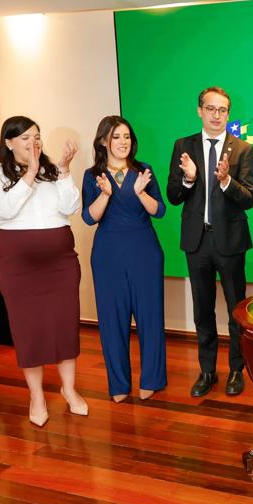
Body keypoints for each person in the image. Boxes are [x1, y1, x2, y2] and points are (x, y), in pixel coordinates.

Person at [0, 115, 86, 427]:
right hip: (19, 267)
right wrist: (29, 174)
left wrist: (64, 170)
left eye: (37, 136)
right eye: (25, 137)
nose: (33, 142)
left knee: (65, 325)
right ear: (9, 142)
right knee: (28, 330)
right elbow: (4, 209)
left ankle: (69, 389)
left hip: (60, 263)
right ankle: (37, 396)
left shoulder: (51, 169)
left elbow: (71, 207)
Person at [166, 86, 253, 398]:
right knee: (202, 311)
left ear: (228, 114)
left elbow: (248, 199)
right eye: (211, 109)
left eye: (223, 110)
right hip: (197, 241)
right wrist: (189, 178)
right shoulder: (183, 146)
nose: (217, 115)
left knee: (236, 310)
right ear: (200, 111)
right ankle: (207, 371)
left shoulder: (242, 149)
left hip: (230, 241)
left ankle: (236, 369)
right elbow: (173, 195)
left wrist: (227, 181)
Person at [81, 115, 167, 403]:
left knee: (150, 318)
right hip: (108, 255)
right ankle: (118, 384)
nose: (123, 142)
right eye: (116, 137)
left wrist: (140, 193)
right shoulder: (92, 175)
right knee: (111, 320)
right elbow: (89, 217)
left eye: (127, 136)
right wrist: (105, 195)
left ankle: (152, 379)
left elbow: (159, 211)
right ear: (103, 141)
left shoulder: (144, 170)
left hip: (145, 252)